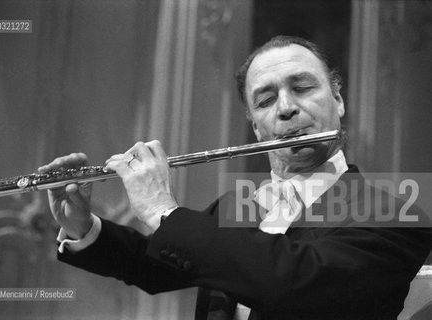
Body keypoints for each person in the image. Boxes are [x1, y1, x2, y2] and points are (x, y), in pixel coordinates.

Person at [38, 35, 432, 320]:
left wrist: (162, 209)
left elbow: (292, 283)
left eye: (302, 88)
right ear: (257, 128)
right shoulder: (242, 205)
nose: (286, 108)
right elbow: (155, 264)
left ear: (339, 101)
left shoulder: (393, 216)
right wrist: (82, 226)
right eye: (265, 100)